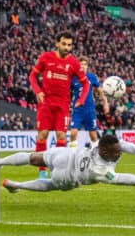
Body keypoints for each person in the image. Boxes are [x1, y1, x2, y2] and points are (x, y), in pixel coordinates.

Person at [0, 134, 135, 192]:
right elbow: (134, 181)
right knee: (50, 183)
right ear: (104, 152)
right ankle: (16, 183)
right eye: (116, 152)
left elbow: (134, 148)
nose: (120, 152)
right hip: (68, 175)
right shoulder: (101, 170)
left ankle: (2, 166)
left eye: (119, 149)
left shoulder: (106, 144)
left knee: (34, 158)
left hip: (67, 155)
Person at [29, 31, 90, 179]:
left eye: (69, 45)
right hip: (46, 103)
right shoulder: (46, 58)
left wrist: (81, 100)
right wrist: (38, 91)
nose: (66, 47)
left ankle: (59, 169)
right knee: (42, 135)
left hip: (63, 105)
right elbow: (32, 76)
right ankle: (42, 171)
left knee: (61, 135)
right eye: (64, 44)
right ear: (57, 43)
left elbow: (85, 83)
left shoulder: (74, 63)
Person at [69, 56, 110, 148]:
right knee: (73, 133)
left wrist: (106, 103)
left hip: (90, 109)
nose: (83, 66)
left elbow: (100, 91)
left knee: (93, 135)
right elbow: (67, 92)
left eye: (85, 64)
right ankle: (73, 156)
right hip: (77, 109)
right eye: (81, 64)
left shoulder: (92, 77)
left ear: (87, 66)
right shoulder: (73, 78)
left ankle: (95, 156)